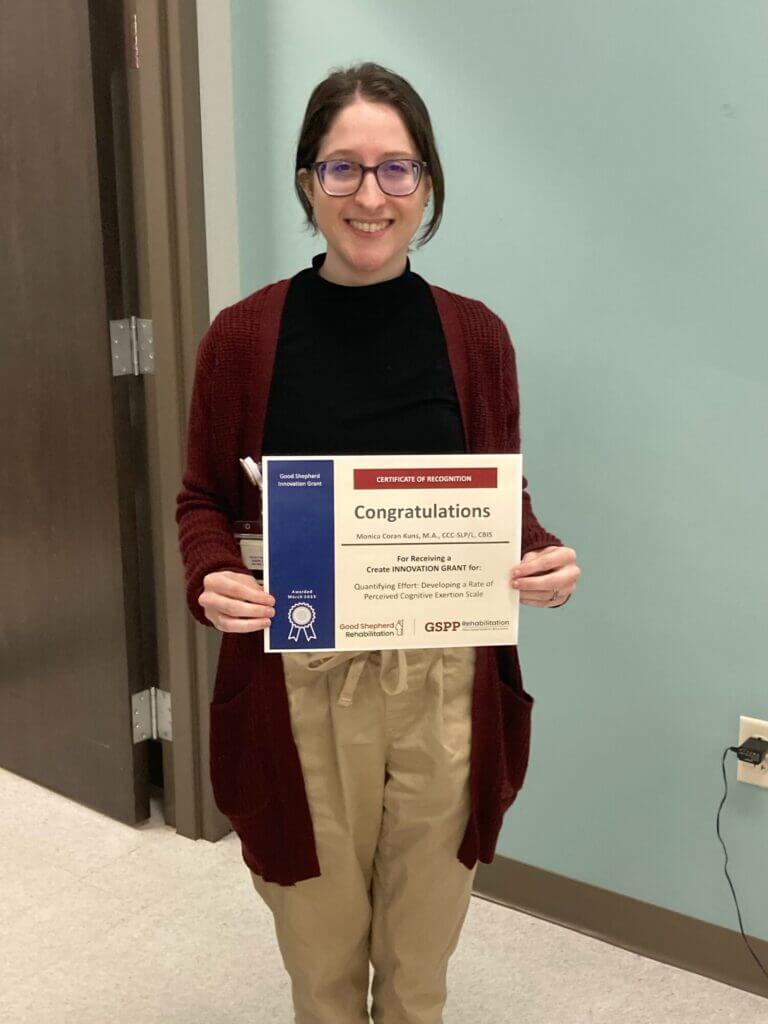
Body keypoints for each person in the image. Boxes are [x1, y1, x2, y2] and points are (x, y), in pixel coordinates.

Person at [176, 61, 580, 1024]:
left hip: (444, 681)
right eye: (343, 168)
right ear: (308, 182)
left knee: (421, 954)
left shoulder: (476, 338)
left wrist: (542, 555)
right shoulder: (241, 338)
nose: (370, 195)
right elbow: (201, 500)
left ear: (427, 183)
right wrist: (212, 574)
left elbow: (495, 501)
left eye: (396, 169)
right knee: (319, 957)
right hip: (301, 679)